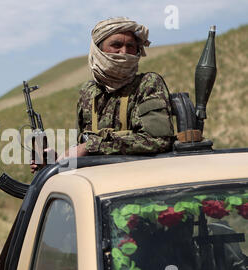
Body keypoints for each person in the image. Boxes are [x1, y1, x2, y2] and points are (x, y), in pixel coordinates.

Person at [31, 17, 175, 173]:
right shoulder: (88, 93)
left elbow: (157, 140)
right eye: (116, 45)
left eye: (131, 46)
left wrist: (90, 146)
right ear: (99, 49)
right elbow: (83, 152)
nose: (124, 52)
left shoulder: (148, 84)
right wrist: (56, 162)